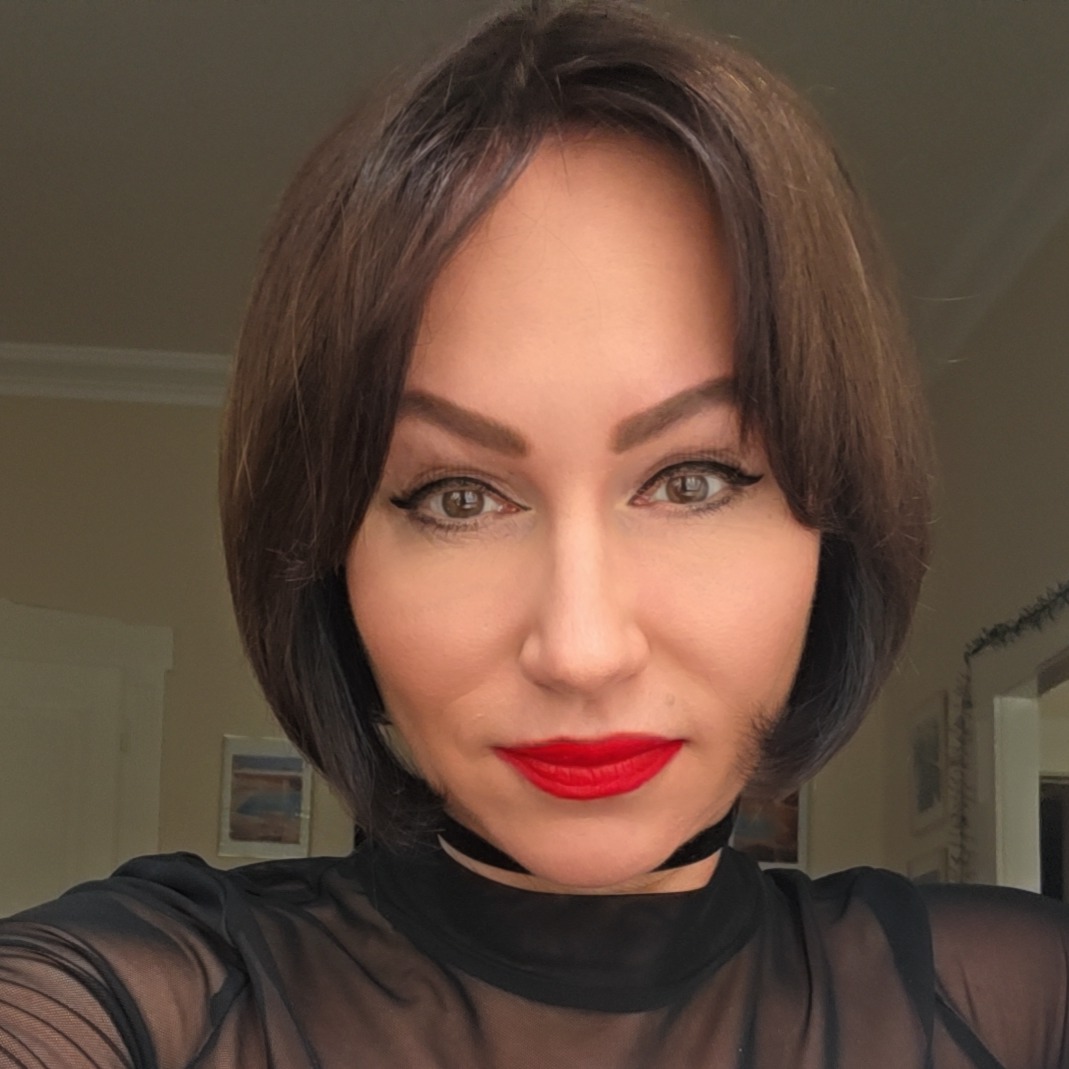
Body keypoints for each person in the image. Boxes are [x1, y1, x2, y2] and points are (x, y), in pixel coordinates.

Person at [2, 2, 1067, 1067]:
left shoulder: (1008, 1001)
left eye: (691, 479)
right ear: (329, 560)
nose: (580, 650)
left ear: (833, 526)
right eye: (458, 497)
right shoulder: (156, 996)